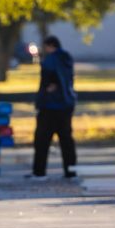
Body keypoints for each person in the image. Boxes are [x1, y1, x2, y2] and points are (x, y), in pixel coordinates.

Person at [28, 35, 77, 179]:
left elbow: (47, 78)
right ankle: (70, 170)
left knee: (42, 140)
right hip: (66, 104)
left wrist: (45, 92)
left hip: (49, 106)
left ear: (50, 46)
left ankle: (39, 171)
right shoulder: (67, 58)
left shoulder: (50, 60)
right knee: (66, 140)